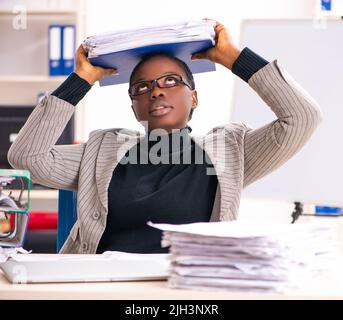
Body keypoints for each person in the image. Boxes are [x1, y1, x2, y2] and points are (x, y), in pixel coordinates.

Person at [8, 20, 322, 254]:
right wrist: (81, 79)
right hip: (101, 287)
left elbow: (301, 118)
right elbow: (27, 158)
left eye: (171, 80)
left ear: (194, 98)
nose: (156, 90)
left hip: (185, 291)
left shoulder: (230, 151)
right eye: (142, 87)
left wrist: (233, 57)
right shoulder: (102, 150)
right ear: (135, 108)